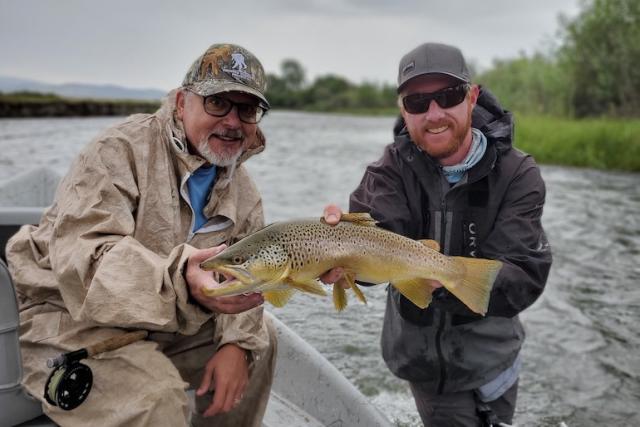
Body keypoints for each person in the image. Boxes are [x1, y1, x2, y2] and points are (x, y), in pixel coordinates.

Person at [6, 43, 276, 427]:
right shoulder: (117, 150)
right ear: (182, 103)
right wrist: (181, 278)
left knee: (259, 344)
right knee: (154, 399)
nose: (232, 121)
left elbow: (246, 279)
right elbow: (87, 262)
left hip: (164, 321)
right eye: (217, 103)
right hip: (63, 316)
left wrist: (236, 343)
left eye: (246, 109)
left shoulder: (244, 191)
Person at [322, 43, 552, 426]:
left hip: (494, 360)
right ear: (402, 110)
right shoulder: (388, 171)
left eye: (448, 96)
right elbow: (377, 233)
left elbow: (524, 273)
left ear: (472, 96)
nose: (434, 114)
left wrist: (446, 281)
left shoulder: (518, 175)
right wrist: (338, 254)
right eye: (417, 103)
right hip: (422, 364)